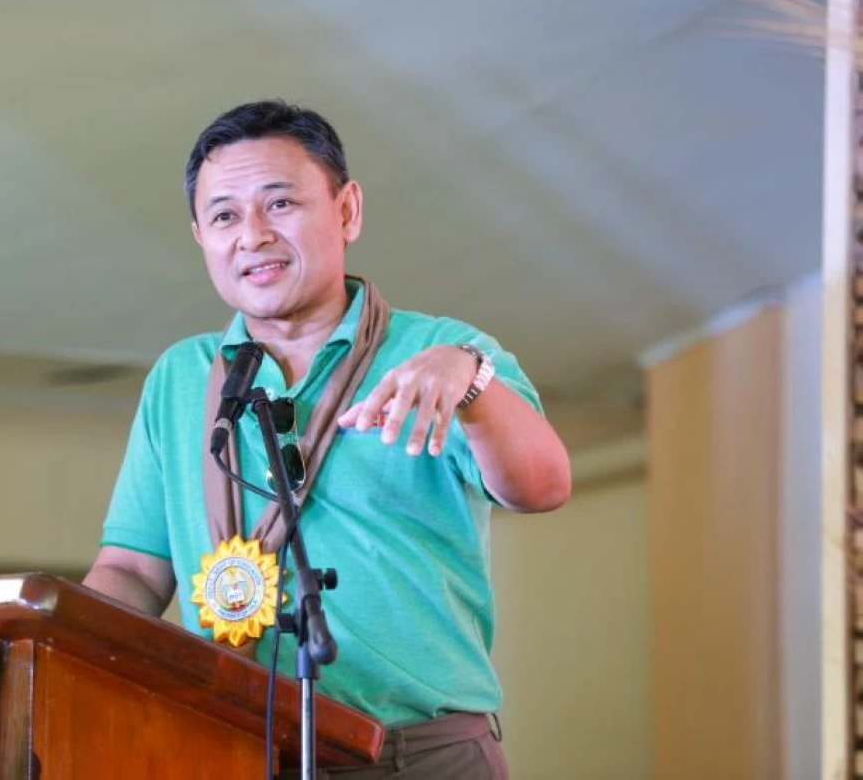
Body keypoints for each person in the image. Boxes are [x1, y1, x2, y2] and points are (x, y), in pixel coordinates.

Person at [83, 99, 571, 778]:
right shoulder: (181, 376)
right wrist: (65, 648)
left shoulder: (440, 353)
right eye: (224, 215)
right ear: (200, 235)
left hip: (419, 752)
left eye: (279, 204)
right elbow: (134, 570)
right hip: (228, 746)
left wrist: (471, 382)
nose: (251, 235)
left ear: (347, 211)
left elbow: (544, 486)